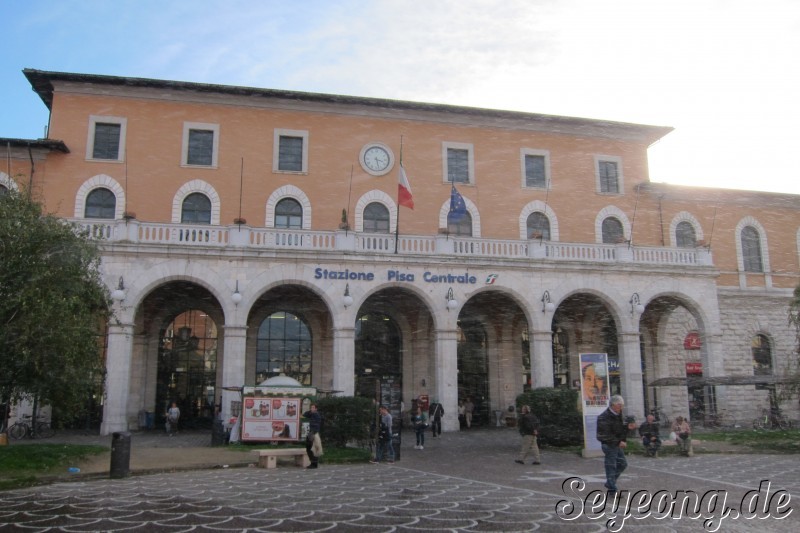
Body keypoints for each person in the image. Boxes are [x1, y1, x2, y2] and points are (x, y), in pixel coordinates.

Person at [596, 395, 636, 493]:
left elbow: (619, 430)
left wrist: (627, 428)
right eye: (619, 405)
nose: (621, 407)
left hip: (616, 444)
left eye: (622, 405)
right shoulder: (604, 417)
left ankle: (610, 482)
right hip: (609, 444)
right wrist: (619, 441)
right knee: (611, 466)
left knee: (622, 464)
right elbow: (604, 435)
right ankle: (613, 488)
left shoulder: (618, 414)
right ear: (613, 405)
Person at [303, 403, 323, 469]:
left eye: (313, 407)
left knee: (312, 448)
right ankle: (313, 463)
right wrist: (310, 411)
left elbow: (316, 425)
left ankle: (314, 463)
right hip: (312, 433)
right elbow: (304, 414)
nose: (312, 408)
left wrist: (313, 434)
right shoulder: (312, 414)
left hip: (313, 433)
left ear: (316, 408)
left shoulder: (316, 415)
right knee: (310, 448)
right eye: (311, 407)